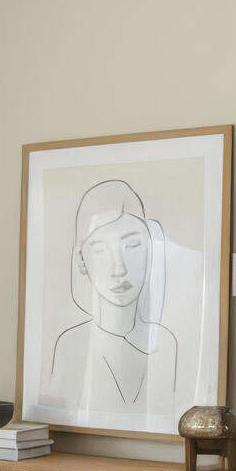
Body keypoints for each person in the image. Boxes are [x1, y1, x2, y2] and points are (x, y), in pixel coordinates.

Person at [48, 179, 184, 418]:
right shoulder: (71, 344)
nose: (119, 268)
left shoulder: (166, 343)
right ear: (81, 259)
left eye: (132, 245)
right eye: (100, 249)